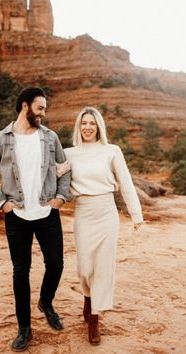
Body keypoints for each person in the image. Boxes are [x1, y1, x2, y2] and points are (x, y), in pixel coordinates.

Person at [0, 87, 72, 352]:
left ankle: (46, 301)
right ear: (24, 106)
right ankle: (25, 328)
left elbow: (64, 168)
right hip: (17, 214)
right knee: (21, 271)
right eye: (40, 108)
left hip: (47, 213)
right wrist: (1, 202)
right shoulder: (0, 139)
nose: (44, 113)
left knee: (56, 264)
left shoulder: (50, 137)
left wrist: (60, 197)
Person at [64, 107, 143, 345]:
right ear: (78, 126)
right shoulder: (69, 154)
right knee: (85, 267)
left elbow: (126, 183)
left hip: (107, 212)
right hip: (84, 211)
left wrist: (136, 214)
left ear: (99, 126)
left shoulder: (112, 151)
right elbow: (59, 185)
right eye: (84, 123)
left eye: (92, 123)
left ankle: (94, 318)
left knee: (103, 266)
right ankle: (87, 297)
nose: (88, 127)